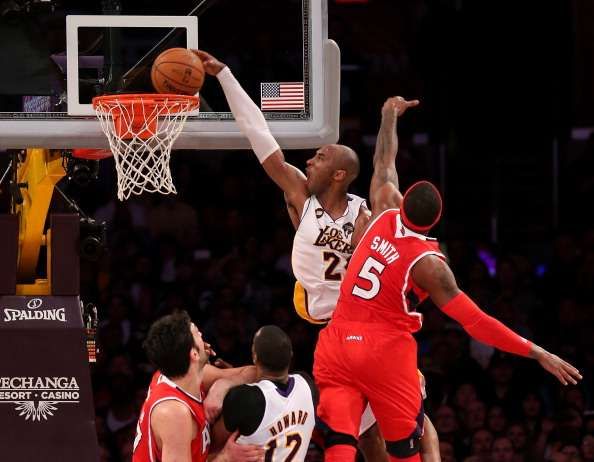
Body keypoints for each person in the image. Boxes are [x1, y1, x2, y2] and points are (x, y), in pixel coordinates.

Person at [192, 49, 440, 462]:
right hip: (326, 327)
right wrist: (225, 76)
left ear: (340, 174)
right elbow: (260, 137)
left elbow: (386, 164)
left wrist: (388, 116)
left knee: (391, 433)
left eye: (321, 157)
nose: (309, 159)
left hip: (367, 326)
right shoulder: (300, 197)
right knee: (364, 435)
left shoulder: (367, 212)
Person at [313, 96, 583, 462]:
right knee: (405, 447)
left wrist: (388, 115)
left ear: (403, 199)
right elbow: (476, 322)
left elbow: (383, 160)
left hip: (338, 338)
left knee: (341, 442)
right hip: (384, 349)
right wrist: (537, 352)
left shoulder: (384, 205)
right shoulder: (430, 264)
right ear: (434, 223)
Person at [132, 311, 265, 462]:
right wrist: (225, 458)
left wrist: (223, 385)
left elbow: (255, 372)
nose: (202, 334)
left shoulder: (186, 373)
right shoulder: (174, 413)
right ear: (193, 354)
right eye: (197, 333)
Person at [209, 325, 316, 462]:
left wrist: (229, 381)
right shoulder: (307, 385)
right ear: (291, 355)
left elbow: (209, 447)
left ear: (254, 357)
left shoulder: (244, 399)